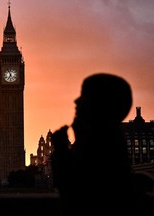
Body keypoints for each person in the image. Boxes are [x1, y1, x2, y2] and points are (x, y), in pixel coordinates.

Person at [50, 73, 152, 216]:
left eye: (84, 96)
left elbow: (76, 195)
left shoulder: (101, 145)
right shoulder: (108, 139)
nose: (76, 101)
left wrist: (61, 151)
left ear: (101, 105)